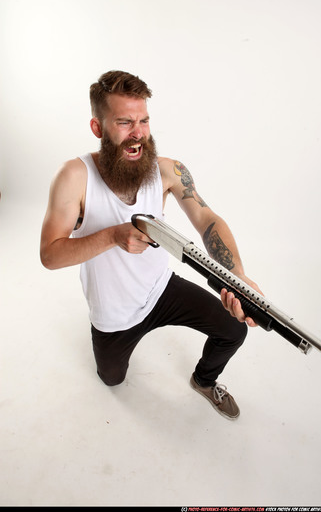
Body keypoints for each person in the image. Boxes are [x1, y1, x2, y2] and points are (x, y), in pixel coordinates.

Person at [40, 70, 262, 420]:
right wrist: (112, 235)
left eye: (143, 120)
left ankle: (205, 380)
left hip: (161, 289)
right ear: (98, 128)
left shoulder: (169, 171)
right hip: (113, 314)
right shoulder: (74, 177)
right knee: (111, 380)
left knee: (234, 329)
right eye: (125, 122)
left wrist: (236, 275)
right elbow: (50, 255)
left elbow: (207, 221)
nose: (138, 133)